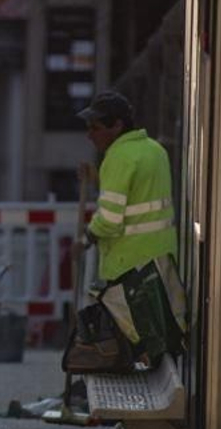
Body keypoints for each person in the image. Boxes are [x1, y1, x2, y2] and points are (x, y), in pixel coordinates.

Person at [70, 90, 186, 371]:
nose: (90, 135)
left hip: (129, 265)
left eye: (95, 128)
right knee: (162, 332)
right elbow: (137, 194)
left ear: (117, 126)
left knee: (136, 339)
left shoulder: (118, 157)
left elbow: (110, 219)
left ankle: (136, 399)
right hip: (160, 256)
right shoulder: (154, 150)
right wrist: (98, 178)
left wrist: (86, 239)